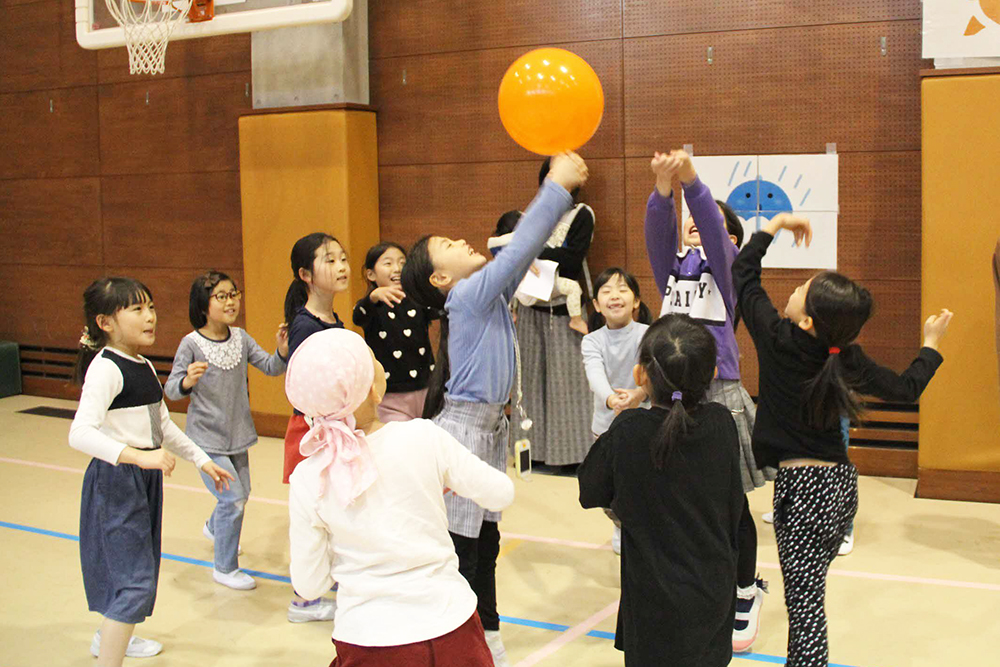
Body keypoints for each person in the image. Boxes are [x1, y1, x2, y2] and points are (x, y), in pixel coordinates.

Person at [733, 213, 952, 666]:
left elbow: (743, 276)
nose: (792, 290)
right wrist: (930, 346)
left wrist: (771, 226)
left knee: (806, 609)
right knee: (809, 598)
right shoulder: (844, 357)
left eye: (800, 290)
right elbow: (906, 388)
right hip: (840, 491)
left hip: (803, 491)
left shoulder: (778, 340)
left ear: (808, 320)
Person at [401, 151, 589, 667]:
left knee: (486, 540)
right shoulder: (466, 297)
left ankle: (488, 632)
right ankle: (455, 645)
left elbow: (519, 257)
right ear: (440, 279)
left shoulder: (481, 295)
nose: (462, 241)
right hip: (462, 433)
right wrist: (556, 187)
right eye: (447, 246)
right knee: (463, 550)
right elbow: (518, 250)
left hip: (490, 432)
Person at [287, 329, 514, 667]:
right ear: (374, 390)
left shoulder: (308, 477)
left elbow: (309, 585)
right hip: (451, 624)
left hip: (368, 638)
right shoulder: (422, 435)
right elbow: (500, 493)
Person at [644, 148, 772, 650]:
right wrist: (661, 189)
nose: (698, 226)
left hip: (718, 394)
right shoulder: (673, 272)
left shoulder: (730, 271)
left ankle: (744, 587)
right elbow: (659, 234)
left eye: (710, 222)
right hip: (671, 395)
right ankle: (702, 576)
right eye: (692, 222)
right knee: (682, 494)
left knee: (729, 502)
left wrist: (693, 182)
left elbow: (715, 235)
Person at [69, 277, 233, 666]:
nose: (150, 317)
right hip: (116, 481)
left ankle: (112, 633)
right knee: (135, 581)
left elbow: (163, 425)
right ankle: (110, 652)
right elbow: (80, 434)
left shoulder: (140, 364)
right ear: (105, 322)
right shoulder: (105, 369)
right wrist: (139, 457)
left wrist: (201, 459)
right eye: (137, 309)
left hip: (143, 480)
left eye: (151, 307)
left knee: (137, 570)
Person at [579, 314, 743, 667]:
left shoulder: (629, 430)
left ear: (640, 375)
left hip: (653, 600)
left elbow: (589, 489)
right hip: (713, 591)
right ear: (713, 373)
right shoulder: (721, 422)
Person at [164, 270, 288, 590]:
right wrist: (187, 381)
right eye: (221, 296)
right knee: (232, 500)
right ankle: (225, 567)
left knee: (241, 495)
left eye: (234, 294)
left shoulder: (241, 338)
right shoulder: (190, 344)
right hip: (206, 439)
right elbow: (172, 390)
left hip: (238, 435)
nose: (231, 301)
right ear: (204, 304)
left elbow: (271, 367)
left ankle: (213, 527)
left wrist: (282, 351)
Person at [508, 157, 597, 467]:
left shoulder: (581, 214)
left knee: (569, 385)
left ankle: (571, 457)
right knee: (527, 384)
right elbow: (512, 251)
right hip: (530, 309)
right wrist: (530, 251)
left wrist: (532, 250)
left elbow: (571, 260)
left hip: (564, 312)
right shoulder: (529, 215)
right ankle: (531, 455)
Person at [282, 232, 351, 622]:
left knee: (338, 506)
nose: (341, 266)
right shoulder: (305, 326)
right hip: (311, 432)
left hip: (333, 428)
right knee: (312, 516)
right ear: (306, 274)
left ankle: (336, 577)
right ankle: (302, 600)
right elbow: (308, 390)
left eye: (343, 258)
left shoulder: (332, 319)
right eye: (330, 260)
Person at [580, 267, 653, 553]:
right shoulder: (592, 340)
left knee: (645, 481)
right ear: (597, 305)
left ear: (636, 301)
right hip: (606, 425)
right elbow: (594, 374)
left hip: (645, 422)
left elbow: (654, 374)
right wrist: (613, 399)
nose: (615, 296)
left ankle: (645, 528)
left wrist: (639, 394)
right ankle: (620, 525)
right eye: (606, 291)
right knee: (612, 485)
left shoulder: (649, 334)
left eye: (622, 289)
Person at [353, 242, 436, 422]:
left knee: (428, 440)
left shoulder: (417, 298)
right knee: (400, 442)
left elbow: (440, 309)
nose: (397, 268)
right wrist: (372, 297)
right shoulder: (372, 306)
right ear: (371, 274)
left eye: (402, 262)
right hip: (391, 393)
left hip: (426, 386)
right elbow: (357, 316)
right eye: (388, 263)